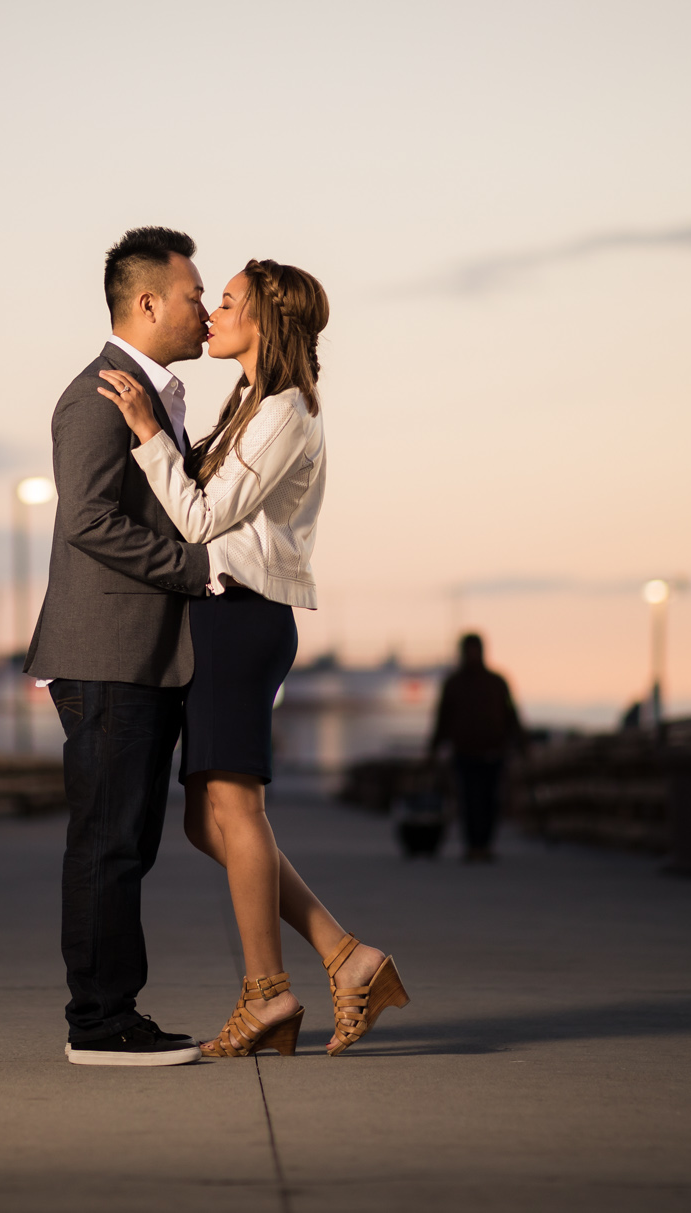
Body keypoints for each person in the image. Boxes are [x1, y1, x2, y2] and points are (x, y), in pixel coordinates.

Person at [98, 257, 410, 1060]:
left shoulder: (284, 414)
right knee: (211, 821)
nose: (210, 313)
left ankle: (269, 992)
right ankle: (348, 956)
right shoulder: (250, 407)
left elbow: (201, 519)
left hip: (242, 619)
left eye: (225, 301)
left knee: (236, 813)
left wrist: (143, 437)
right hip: (225, 618)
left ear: (264, 321)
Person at [27, 226, 212, 1067]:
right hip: (107, 656)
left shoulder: (151, 394)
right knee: (108, 841)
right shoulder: (96, 396)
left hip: (137, 655)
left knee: (126, 840)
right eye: (192, 294)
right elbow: (90, 522)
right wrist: (196, 569)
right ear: (147, 302)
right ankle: (100, 1022)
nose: (204, 309)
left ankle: (110, 1013)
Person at [426, 633, 526, 863]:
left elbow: (511, 714)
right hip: (465, 753)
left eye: (475, 649)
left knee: (491, 801)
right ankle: (472, 846)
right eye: (468, 650)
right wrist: (433, 749)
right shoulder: (453, 684)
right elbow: (442, 720)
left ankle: (486, 845)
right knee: (469, 801)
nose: (472, 654)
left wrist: (521, 742)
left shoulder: (497, 682)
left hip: (493, 751)